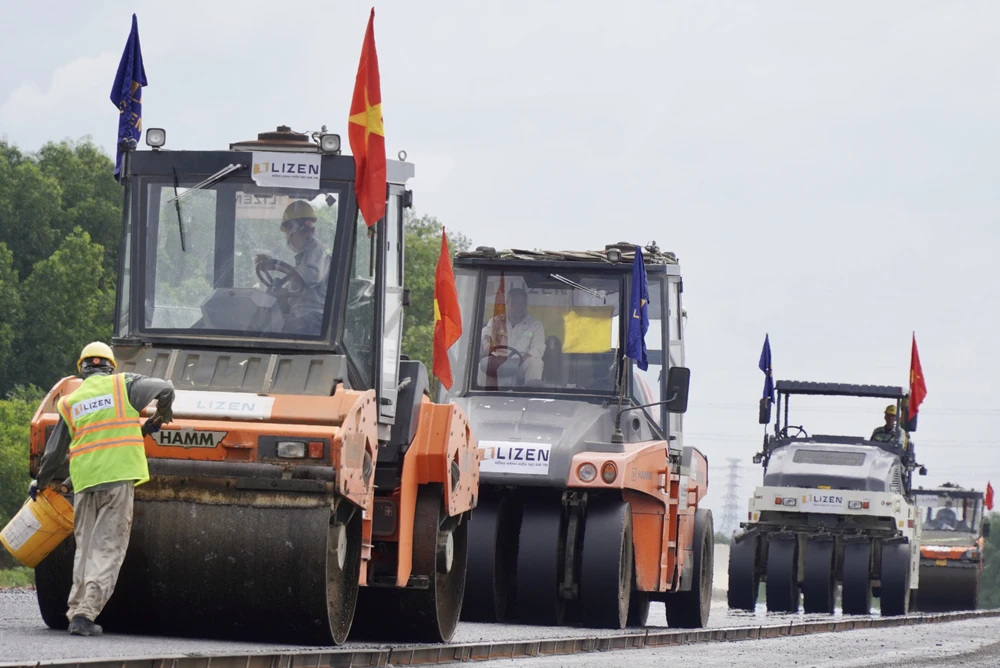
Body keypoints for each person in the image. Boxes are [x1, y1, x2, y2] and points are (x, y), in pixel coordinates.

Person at [30, 342, 175, 637]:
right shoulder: (124, 385)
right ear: (111, 366)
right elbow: (166, 388)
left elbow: (56, 452)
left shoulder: (70, 402)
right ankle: (86, 615)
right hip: (118, 481)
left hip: (84, 484)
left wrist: (40, 482)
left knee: (85, 550)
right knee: (107, 549)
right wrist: (164, 413)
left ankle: (75, 609)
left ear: (82, 369)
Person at [255, 200, 328, 335]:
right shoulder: (304, 255)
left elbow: (312, 277)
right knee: (268, 323)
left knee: (278, 331)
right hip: (301, 314)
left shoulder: (316, 248)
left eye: (288, 232)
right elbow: (297, 282)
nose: (287, 238)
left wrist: (277, 266)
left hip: (315, 316)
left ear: (295, 230)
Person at [479, 287, 546, 387]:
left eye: (522, 304)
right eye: (515, 304)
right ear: (507, 302)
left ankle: (531, 392)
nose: (519, 307)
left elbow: (537, 349)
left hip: (521, 364)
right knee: (479, 367)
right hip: (498, 363)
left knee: (536, 362)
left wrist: (518, 361)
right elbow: (486, 334)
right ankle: (480, 394)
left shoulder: (535, 325)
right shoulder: (496, 321)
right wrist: (487, 344)